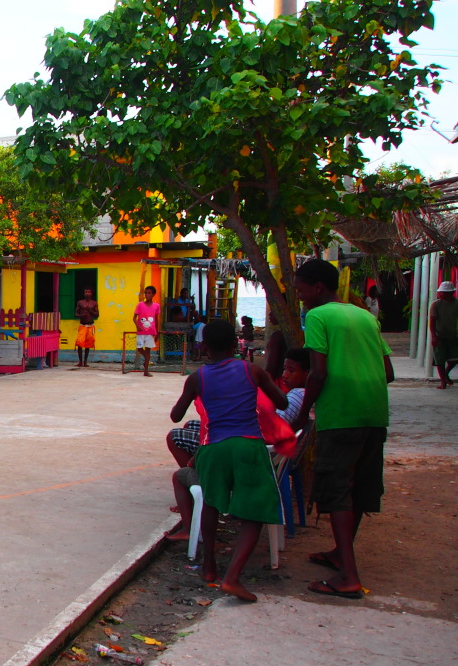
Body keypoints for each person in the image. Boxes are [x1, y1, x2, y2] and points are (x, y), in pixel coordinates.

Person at [292, 258, 394, 600]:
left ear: (317, 287)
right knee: (360, 487)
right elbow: (388, 371)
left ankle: (348, 576)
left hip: (341, 414)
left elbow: (317, 372)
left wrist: (303, 412)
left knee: (335, 489)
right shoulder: (365, 315)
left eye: (302, 290)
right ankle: (340, 552)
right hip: (375, 411)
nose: (300, 296)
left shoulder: (318, 316)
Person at [169, 318, 288, 602]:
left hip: (214, 447)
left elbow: (176, 416)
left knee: (210, 503)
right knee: (254, 511)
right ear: (236, 344)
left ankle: (209, 566)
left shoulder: (197, 378)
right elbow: (281, 402)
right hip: (248, 444)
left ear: (205, 347)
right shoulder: (252, 370)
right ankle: (233, 577)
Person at [430, 280, 457, 390]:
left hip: (452, 334)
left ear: (451, 293)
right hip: (439, 335)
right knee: (439, 360)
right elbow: (432, 322)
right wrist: (433, 336)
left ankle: (445, 375)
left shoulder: (456, 304)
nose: (441, 294)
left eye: (444, 292)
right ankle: (443, 381)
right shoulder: (436, 305)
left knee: (454, 359)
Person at [132, 286, 160, 376]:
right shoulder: (140, 305)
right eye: (146, 293)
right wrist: (138, 325)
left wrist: (157, 332)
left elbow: (156, 319)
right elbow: (134, 318)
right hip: (141, 331)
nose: (147, 295)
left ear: (153, 294)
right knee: (140, 348)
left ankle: (146, 371)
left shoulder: (156, 306)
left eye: (149, 293)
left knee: (148, 350)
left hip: (150, 332)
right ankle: (147, 358)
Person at [74, 288, 100, 368]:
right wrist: (81, 315)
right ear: (84, 293)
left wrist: (90, 311)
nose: (87, 293)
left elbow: (97, 314)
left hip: (90, 325)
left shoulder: (94, 303)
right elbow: (76, 313)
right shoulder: (80, 302)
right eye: (85, 292)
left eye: (88, 292)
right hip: (82, 325)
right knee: (79, 343)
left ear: (91, 293)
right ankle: (80, 362)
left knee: (88, 344)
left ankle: (85, 362)